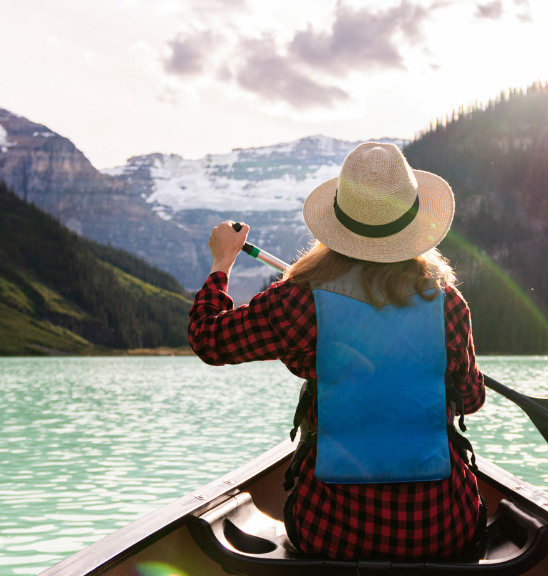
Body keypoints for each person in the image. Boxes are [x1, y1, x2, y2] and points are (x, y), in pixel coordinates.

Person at [188, 142, 486, 561]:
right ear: (413, 223)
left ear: (339, 224)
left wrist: (222, 263)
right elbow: (470, 400)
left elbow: (208, 339)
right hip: (442, 526)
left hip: (331, 530)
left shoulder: (296, 301)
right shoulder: (449, 304)